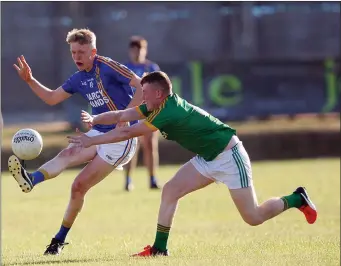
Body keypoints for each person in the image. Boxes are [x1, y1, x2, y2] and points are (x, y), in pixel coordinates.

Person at [68, 71, 318, 257]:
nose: (141, 97)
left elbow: (125, 133)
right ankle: (159, 249)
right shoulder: (158, 105)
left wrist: (93, 142)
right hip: (207, 158)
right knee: (170, 190)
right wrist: (95, 118)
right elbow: (123, 115)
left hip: (230, 156)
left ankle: (297, 199)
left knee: (253, 217)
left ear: (158, 93)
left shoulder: (167, 112)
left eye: (145, 93)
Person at [9, 28, 142, 255]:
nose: (77, 57)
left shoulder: (107, 66)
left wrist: (125, 118)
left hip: (120, 139)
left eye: (81, 52)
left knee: (79, 185)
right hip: (98, 131)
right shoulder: (79, 78)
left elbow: (141, 86)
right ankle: (32, 180)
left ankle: (58, 240)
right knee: (67, 158)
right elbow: (51, 98)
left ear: (93, 51)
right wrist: (30, 80)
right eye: (73, 53)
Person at [123, 36, 161, 191]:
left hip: (149, 112)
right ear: (130, 51)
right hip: (133, 112)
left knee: (151, 145)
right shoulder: (125, 69)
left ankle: (152, 179)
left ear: (145, 51)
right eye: (134, 50)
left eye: (140, 50)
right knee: (132, 145)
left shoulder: (152, 68)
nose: (137, 53)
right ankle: (128, 180)